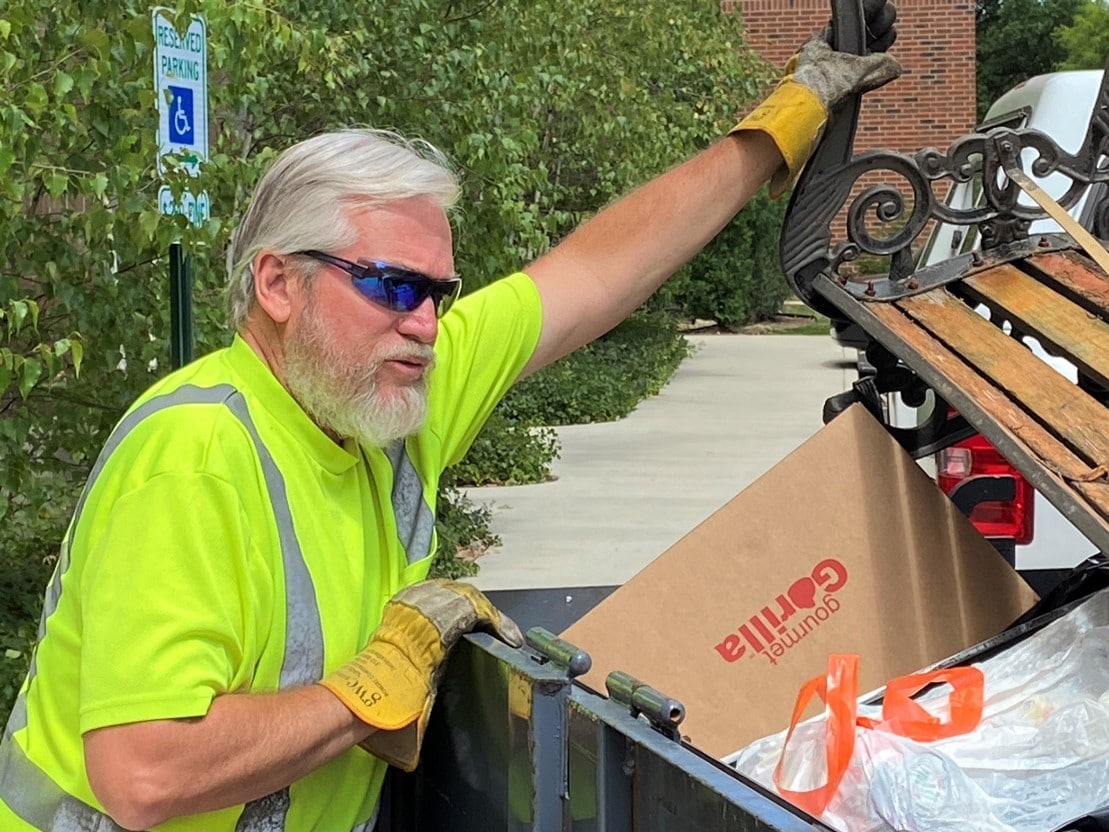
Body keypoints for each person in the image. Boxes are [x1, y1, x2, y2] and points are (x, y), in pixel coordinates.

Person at [0, 13, 900, 831]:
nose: (425, 324)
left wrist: (783, 124)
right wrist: (372, 687)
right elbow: (143, 774)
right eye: (393, 286)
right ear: (278, 284)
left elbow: (597, 271)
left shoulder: (385, 397)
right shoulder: (195, 456)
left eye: (439, 293)